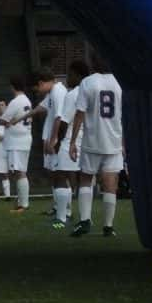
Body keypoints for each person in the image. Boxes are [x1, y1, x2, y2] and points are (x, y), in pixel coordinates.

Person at [68, 52, 124, 237]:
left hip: (92, 139)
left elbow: (80, 112)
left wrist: (73, 142)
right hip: (114, 139)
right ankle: (108, 226)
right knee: (110, 183)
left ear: (93, 63)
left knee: (85, 178)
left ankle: (85, 221)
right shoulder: (119, 82)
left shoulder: (88, 82)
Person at [52, 60, 91, 230]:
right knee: (81, 180)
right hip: (86, 140)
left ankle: (61, 218)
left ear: (77, 75)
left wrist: (58, 142)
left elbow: (65, 122)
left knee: (60, 176)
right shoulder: (89, 91)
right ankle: (84, 217)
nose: (68, 78)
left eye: (70, 74)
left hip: (70, 141)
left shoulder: (73, 94)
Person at [32, 68, 68, 221]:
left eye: (37, 88)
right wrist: (19, 118)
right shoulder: (52, 92)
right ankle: (58, 207)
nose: (38, 92)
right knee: (52, 174)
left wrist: (53, 140)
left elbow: (59, 117)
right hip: (49, 138)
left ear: (41, 83)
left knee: (59, 174)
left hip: (55, 140)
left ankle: (65, 212)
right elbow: (41, 107)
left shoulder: (58, 91)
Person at [0, 76, 33, 213]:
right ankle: (21, 201)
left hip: (16, 140)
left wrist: (4, 113)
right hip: (24, 137)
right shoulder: (27, 100)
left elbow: (2, 120)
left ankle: (23, 205)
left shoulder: (15, 101)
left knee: (19, 172)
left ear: (12, 87)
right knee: (20, 171)